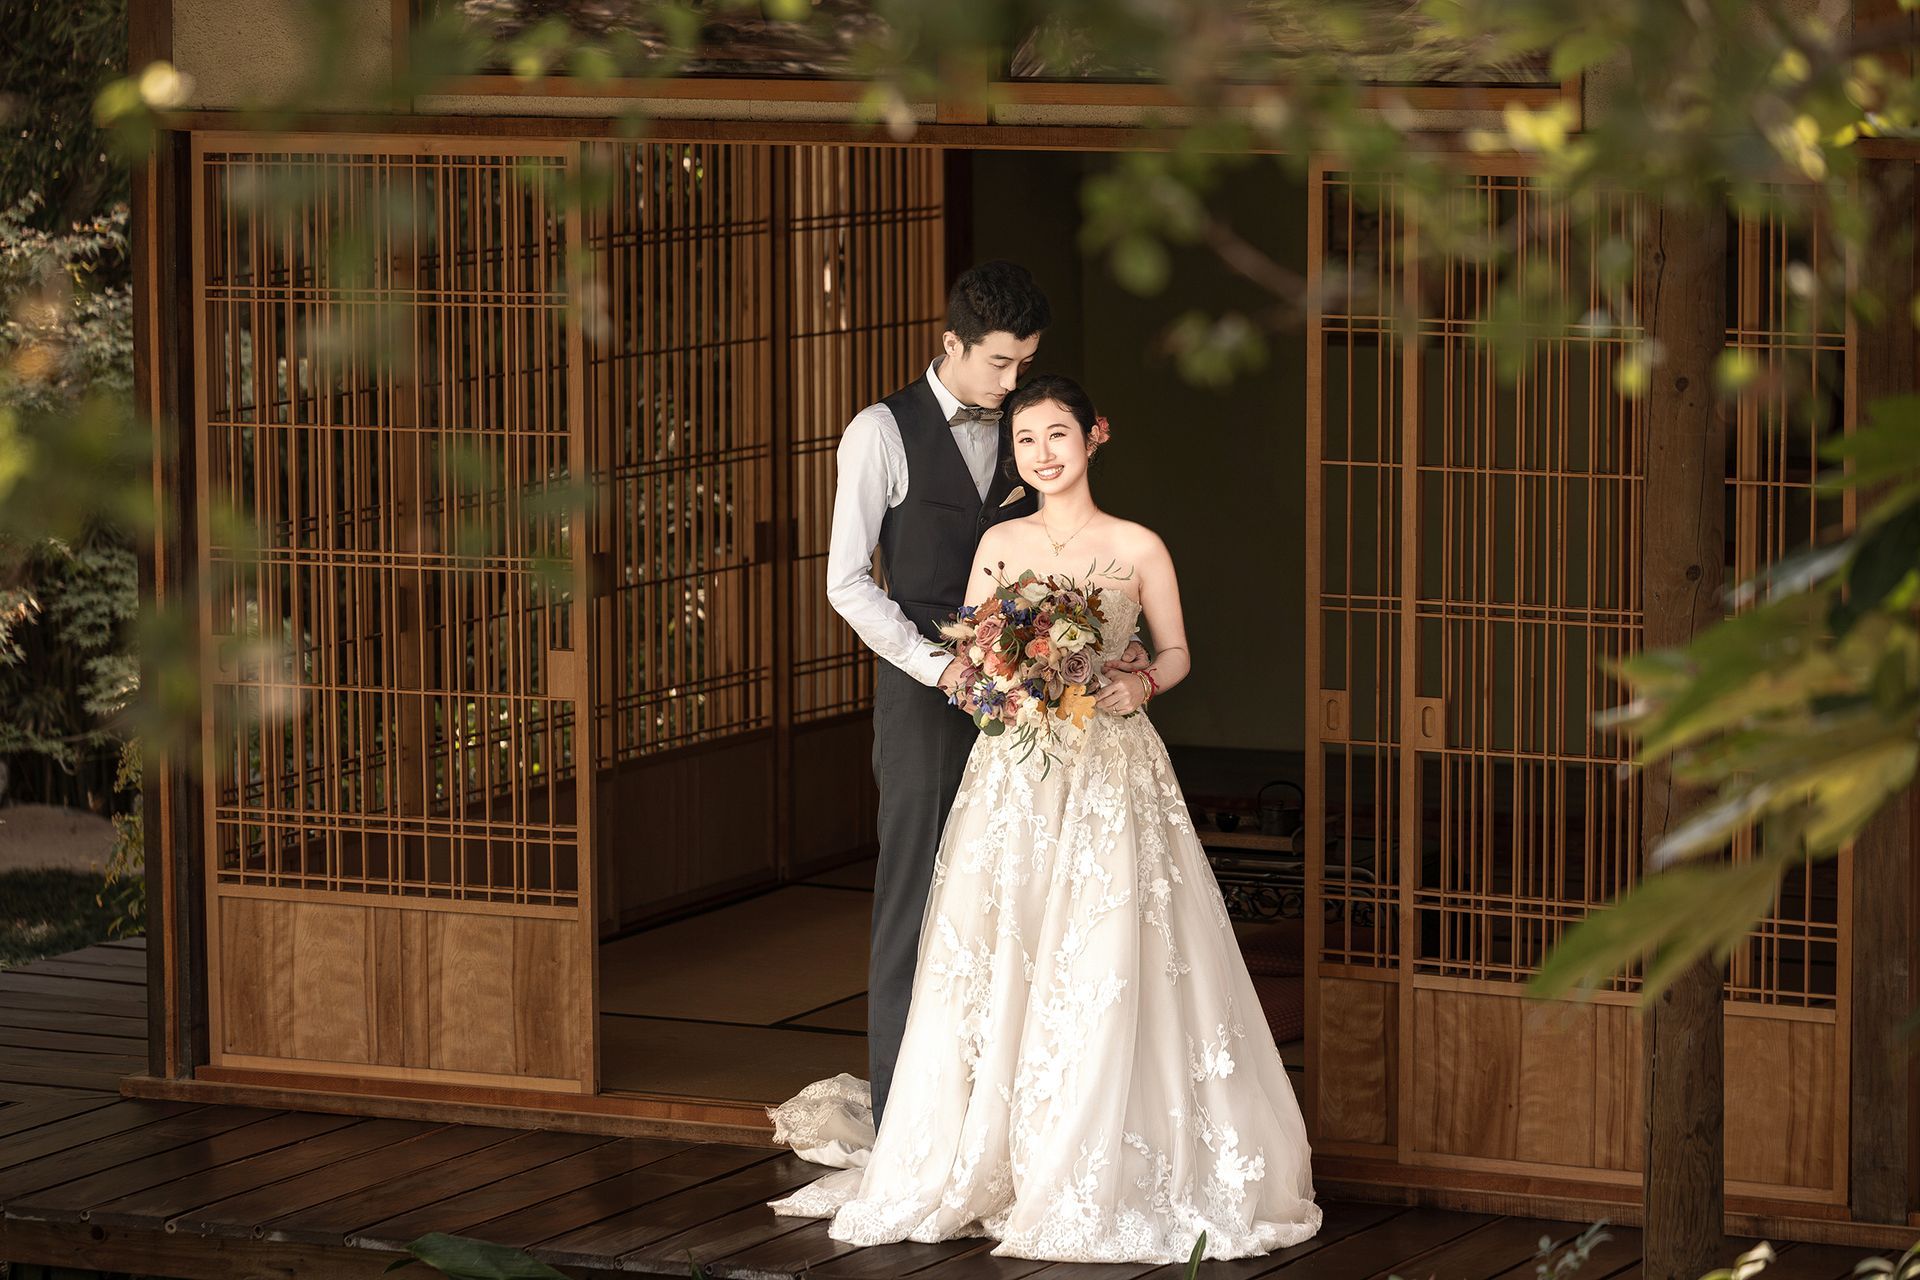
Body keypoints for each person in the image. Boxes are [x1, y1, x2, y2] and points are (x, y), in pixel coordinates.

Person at [770, 374, 1321, 1264]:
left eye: (1058, 435)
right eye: (1026, 441)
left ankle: (1104, 1154)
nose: (1043, 455)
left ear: (1096, 434)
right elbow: (973, 647)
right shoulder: (999, 541)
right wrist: (1001, 675)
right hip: (1016, 775)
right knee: (1005, 946)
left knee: (1107, 948)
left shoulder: (1138, 545)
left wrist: (1137, 680)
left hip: (1111, 769)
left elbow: (1176, 652)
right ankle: (997, 1150)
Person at [822, 261, 1147, 1129]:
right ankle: (904, 1113)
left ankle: (1013, 1107)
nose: (1013, 385)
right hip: (925, 692)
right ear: (952, 344)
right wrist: (940, 666)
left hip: (1033, 698)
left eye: (1025, 364)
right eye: (1000, 365)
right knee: (917, 891)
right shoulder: (878, 434)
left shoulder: (1026, 431)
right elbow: (848, 583)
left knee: (1022, 886)